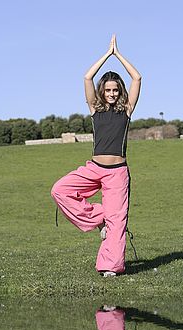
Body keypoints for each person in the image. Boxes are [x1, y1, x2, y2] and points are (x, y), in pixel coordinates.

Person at [51, 34, 141, 277]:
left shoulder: (127, 110)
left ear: (120, 91)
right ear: (102, 91)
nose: (111, 93)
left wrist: (119, 55)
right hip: (94, 168)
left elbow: (137, 77)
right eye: (108, 89)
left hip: (117, 173)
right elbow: (87, 76)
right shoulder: (94, 109)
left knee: (118, 221)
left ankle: (110, 267)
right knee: (60, 190)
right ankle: (99, 218)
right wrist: (106, 55)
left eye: (115, 90)